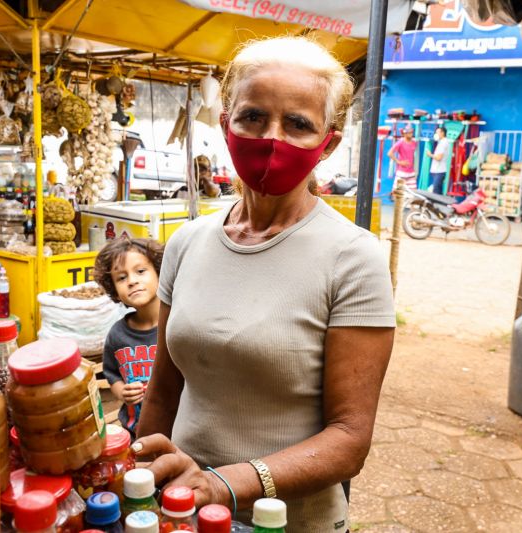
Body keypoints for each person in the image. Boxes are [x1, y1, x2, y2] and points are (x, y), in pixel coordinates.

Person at [133, 36, 396, 532]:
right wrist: (142, 480)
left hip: (288, 521)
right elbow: (163, 392)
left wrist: (225, 485)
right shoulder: (188, 242)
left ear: (328, 143)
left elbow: (349, 439)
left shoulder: (352, 257)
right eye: (253, 116)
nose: (271, 138)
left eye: (298, 124)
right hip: (181, 511)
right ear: (225, 120)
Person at [93, 236, 164, 440]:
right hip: (134, 433)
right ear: (114, 290)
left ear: (160, 272)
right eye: (121, 278)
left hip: (176, 433)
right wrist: (122, 391)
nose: (132, 281)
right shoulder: (117, 335)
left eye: (140, 271)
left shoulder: (176, 327)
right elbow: (112, 374)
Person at [427, 126, 450, 194]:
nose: (436, 134)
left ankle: (437, 204)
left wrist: (430, 154)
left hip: (440, 170)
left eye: (437, 132)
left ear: (442, 133)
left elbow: (439, 157)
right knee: (437, 189)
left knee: (436, 189)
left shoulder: (443, 143)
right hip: (437, 170)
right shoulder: (441, 142)